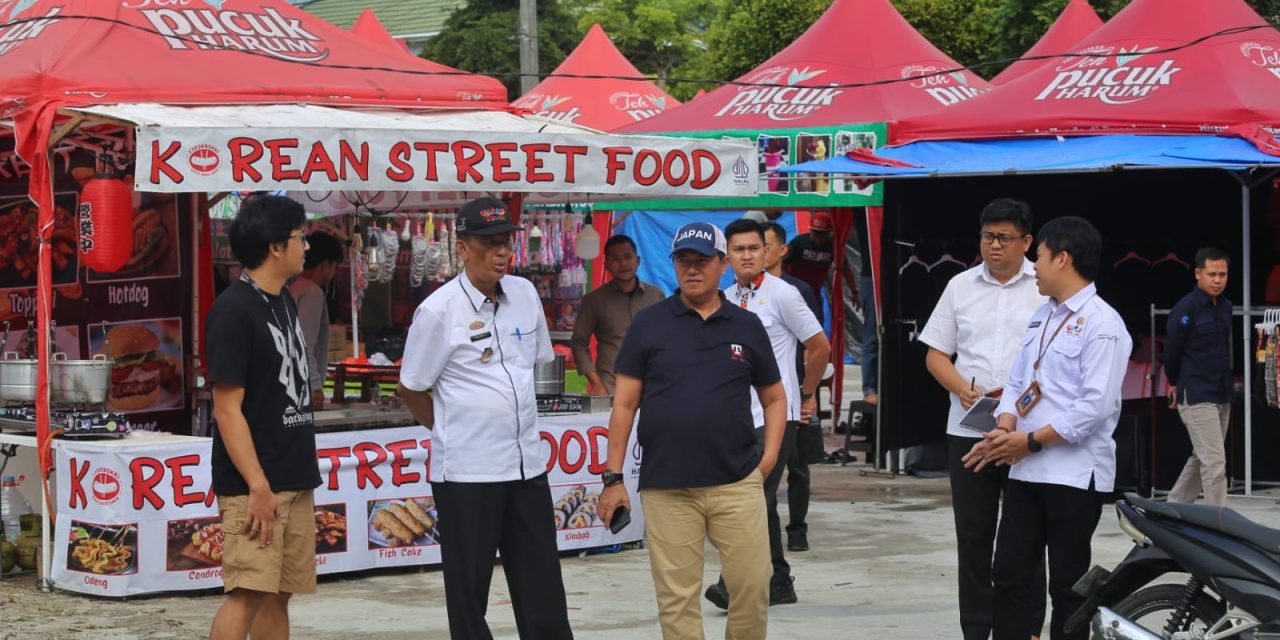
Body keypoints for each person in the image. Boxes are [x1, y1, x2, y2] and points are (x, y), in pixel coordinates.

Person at [597, 221, 787, 640]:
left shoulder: (746, 326)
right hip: (668, 487)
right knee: (677, 600)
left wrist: (768, 459)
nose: (693, 269)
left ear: (722, 265)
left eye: (702, 261)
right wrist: (613, 479)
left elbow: (775, 398)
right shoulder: (649, 324)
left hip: (736, 481)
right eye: (684, 260)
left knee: (753, 587)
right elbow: (624, 404)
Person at [397, 196, 574, 640]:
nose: (502, 252)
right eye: (490, 242)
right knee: (469, 592)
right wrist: (451, 431)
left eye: (506, 242)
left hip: (526, 465)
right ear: (463, 247)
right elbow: (412, 387)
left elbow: (536, 363)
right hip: (467, 473)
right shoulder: (438, 311)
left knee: (542, 586)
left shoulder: (526, 294)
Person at [963, 216, 1132, 640]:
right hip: (1025, 467)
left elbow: (1093, 408)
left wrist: (1029, 440)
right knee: (1009, 574)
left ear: (1063, 258)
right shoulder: (1043, 315)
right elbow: (1019, 380)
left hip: (1073, 475)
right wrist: (1005, 428)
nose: (1033, 265)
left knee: (1068, 585)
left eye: (1038, 256)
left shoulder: (1104, 324)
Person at [918, 199, 1047, 640]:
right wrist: (959, 386)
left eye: (1004, 238)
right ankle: (976, 629)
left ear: (1027, 242)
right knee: (973, 537)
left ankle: (1027, 627)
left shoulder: (1043, 286)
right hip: (968, 429)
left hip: (1026, 433)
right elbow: (936, 354)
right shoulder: (960, 285)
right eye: (987, 237)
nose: (994, 246)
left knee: (1027, 537)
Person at [206, 195, 320, 640]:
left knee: (279, 592)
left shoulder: (282, 299)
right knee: (248, 590)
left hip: (293, 472)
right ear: (275, 246)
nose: (305, 247)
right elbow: (226, 409)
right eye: (299, 237)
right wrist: (257, 485)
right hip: (257, 481)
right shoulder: (234, 310)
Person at [705, 219, 830, 609]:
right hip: (739, 417)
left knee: (747, 497)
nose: (746, 256)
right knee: (760, 500)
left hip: (778, 414)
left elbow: (819, 347)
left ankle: (731, 583)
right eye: (738, 250)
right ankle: (778, 580)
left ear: (767, 252)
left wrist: (806, 394)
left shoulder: (785, 295)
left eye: (753, 249)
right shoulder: (725, 298)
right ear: (727, 257)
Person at [762, 221, 822, 552]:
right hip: (758, 398)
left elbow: (814, 343)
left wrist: (808, 390)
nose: (758, 254)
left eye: (764, 246)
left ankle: (797, 529)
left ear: (783, 250)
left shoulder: (797, 291)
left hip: (795, 389)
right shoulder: (744, 293)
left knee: (798, 464)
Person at [1165, 247, 1233, 506]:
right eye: (1212, 274)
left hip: (1221, 392)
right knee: (1214, 462)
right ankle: (1220, 523)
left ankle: (1174, 507)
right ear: (1197, 274)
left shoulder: (1225, 306)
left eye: (1223, 274)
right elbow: (1171, 352)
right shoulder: (1186, 308)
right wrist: (1173, 383)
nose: (1218, 280)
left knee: (1202, 456)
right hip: (1195, 393)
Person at [569, 234, 664, 395]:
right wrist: (596, 384)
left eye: (628, 257)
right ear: (606, 265)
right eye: (616, 259)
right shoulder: (594, 300)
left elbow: (667, 339)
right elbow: (579, 343)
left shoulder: (656, 296)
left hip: (653, 389)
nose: (623, 264)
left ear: (638, 260)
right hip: (612, 389)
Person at [288, 232, 342, 410]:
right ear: (326, 264)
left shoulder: (293, 288)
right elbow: (304, 342)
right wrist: (315, 384)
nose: (333, 273)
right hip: (300, 387)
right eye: (334, 266)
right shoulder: (312, 292)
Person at [785, 212, 856, 307]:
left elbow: (845, 268)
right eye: (816, 233)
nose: (819, 238)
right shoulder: (799, 242)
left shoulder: (833, 246)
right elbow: (783, 264)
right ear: (811, 230)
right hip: (793, 292)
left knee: (817, 320)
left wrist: (854, 292)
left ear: (829, 233)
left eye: (823, 234)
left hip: (814, 293)